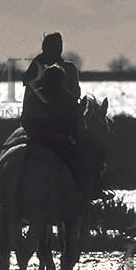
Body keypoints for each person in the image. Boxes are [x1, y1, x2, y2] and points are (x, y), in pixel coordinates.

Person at [21, 63, 89, 193]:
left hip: (35, 141)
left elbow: (26, 121)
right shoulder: (68, 98)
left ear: (45, 79)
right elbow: (74, 124)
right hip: (60, 143)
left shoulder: (34, 96)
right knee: (80, 163)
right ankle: (86, 193)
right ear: (62, 80)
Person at [22, 32, 81, 106]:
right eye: (54, 46)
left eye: (59, 45)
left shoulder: (69, 68)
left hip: (65, 109)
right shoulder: (37, 67)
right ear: (46, 48)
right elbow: (29, 90)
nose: (58, 48)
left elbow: (76, 93)